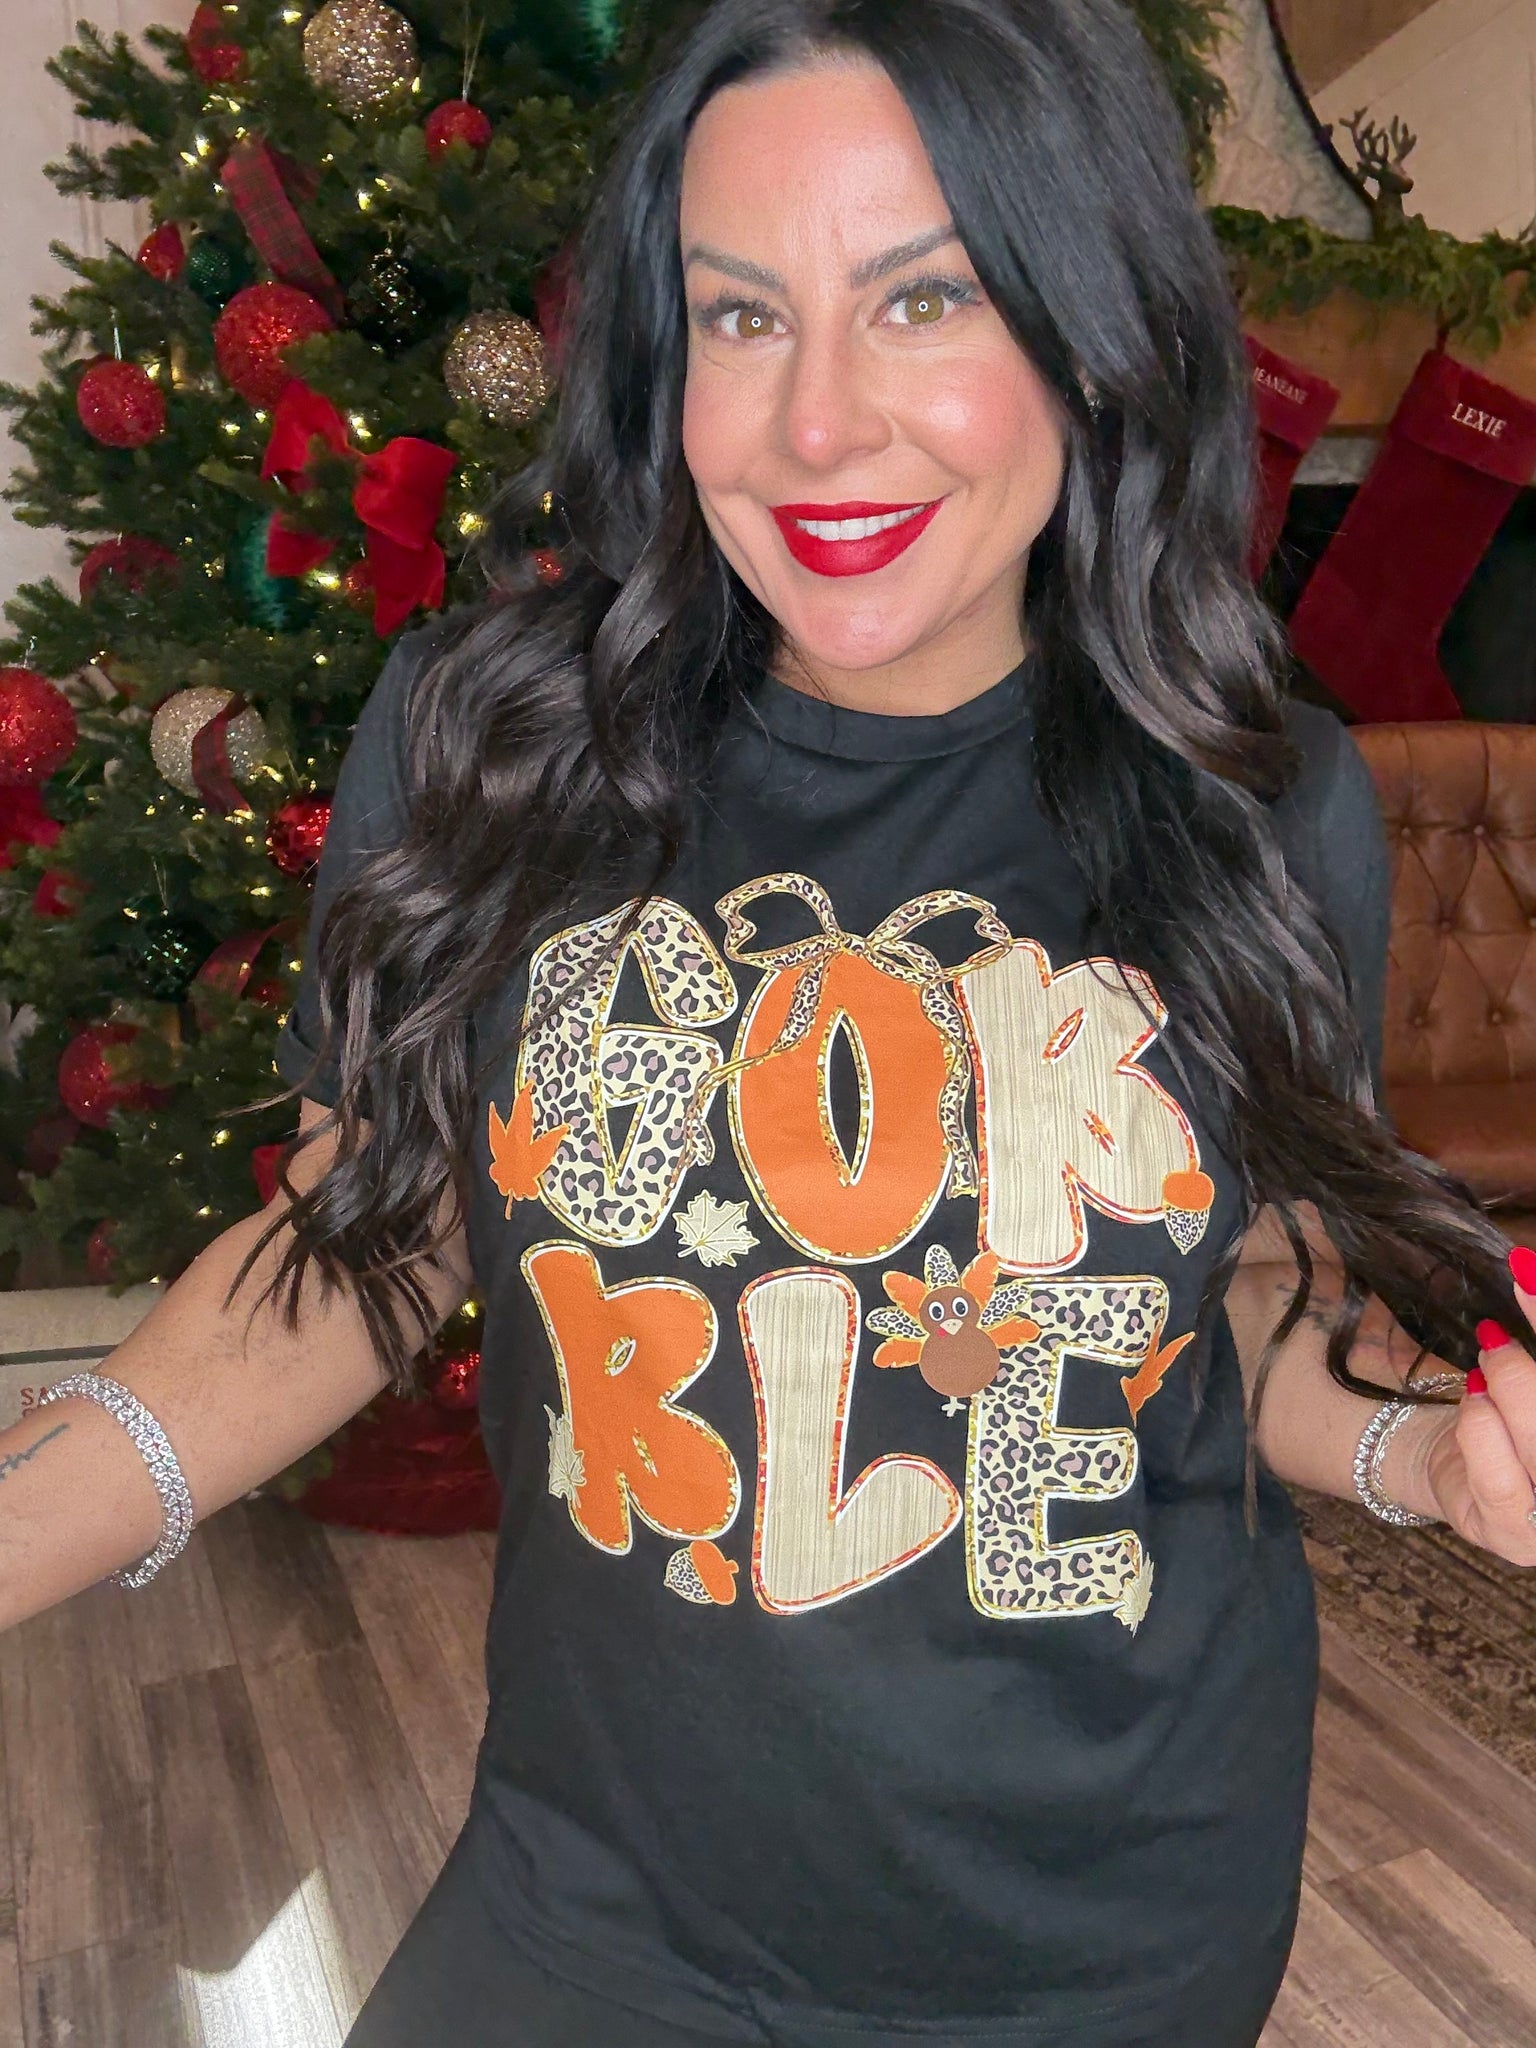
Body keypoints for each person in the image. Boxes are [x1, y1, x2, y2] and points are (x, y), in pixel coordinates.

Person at [4, 1, 1535, 2043]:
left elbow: (1237, 1297)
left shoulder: (1257, 808)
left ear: (1090, 335)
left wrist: (1431, 1456)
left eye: (924, 299)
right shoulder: (489, 747)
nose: (816, 426)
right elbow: (356, 1252)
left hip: (1096, 1944)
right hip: (592, 1896)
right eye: (742, 315)